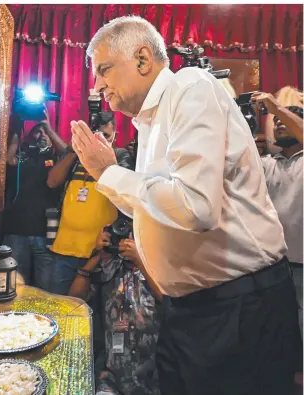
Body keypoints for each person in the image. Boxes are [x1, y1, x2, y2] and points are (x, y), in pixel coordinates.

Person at [71, 15, 301, 395]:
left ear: (143, 59)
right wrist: (108, 176)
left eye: (104, 70)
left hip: (238, 312)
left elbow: (195, 207)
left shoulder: (190, 88)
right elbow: (155, 208)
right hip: (193, 311)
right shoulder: (147, 123)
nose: (97, 86)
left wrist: (110, 173)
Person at [47, 112, 134, 296]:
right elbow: (52, 182)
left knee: (94, 313)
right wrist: (74, 150)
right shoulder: (75, 159)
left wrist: (104, 160)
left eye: (105, 136)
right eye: (95, 135)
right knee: (60, 308)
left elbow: (125, 191)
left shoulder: (119, 156)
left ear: (115, 136)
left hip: (99, 253)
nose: (98, 141)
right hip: (64, 250)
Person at [69, 224, 161, 395]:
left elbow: (169, 302)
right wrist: (96, 254)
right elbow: (74, 300)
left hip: (155, 378)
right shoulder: (109, 269)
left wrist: (140, 261)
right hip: (113, 378)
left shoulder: (159, 269)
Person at [252, 93, 303, 336]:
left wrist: (277, 108)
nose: (279, 123)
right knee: (277, 335)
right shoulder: (268, 164)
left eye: (285, 120)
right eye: (276, 121)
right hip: (273, 267)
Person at [2, 110, 67, 291]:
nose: (42, 135)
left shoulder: (55, 160)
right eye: (37, 131)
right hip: (17, 232)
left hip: (45, 235)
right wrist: (17, 124)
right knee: (15, 286)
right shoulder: (23, 156)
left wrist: (47, 126)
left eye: (44, 132)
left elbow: (69, 153)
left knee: (45, 289)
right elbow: (9, 159)